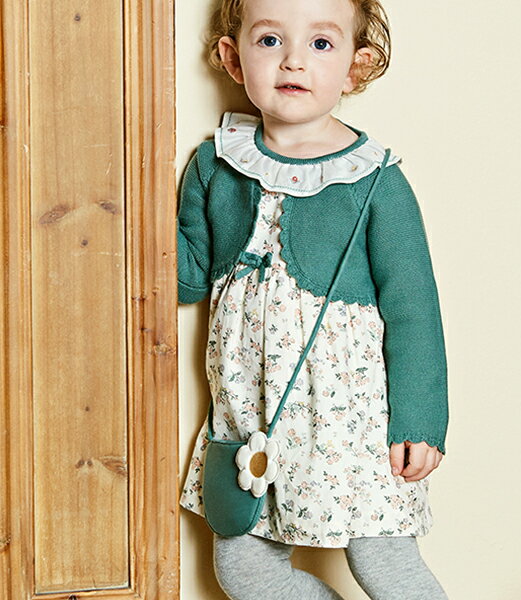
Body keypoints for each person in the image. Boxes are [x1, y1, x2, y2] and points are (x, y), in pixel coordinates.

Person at [178, 0, 450, 597]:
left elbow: (413, 309)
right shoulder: (215, 164)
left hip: (352, 421)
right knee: (244, 569)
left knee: (383, 562)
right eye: (270, 40)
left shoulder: (376, 180)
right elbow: (184, 277)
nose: (294, 60)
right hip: (252, 416)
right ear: (233, 58)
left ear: (356, 66)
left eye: (321, 44)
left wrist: (422, 421)